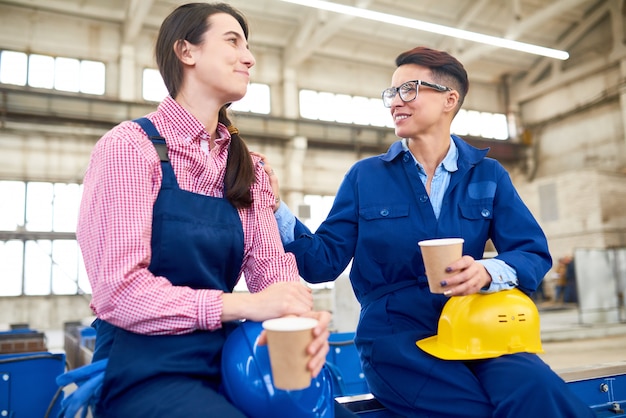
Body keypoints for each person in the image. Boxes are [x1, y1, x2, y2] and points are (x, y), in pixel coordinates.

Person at [263, 46, 595, 417]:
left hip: (474, 330)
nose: (395, 102)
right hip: (396, 337)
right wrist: (275, 206)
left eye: (409, 90)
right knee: (472, 410)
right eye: (391, 93)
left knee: (541, 390)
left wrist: (488, 271)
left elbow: (532, 251)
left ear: (449, 100)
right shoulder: (365, 177)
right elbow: (321, 262)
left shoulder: (488, 175)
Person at [73, 3, 355, 417]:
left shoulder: (249, 170)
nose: (250, 57)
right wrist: (243, 306)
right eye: (232, 41)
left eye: (248, 46)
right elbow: (120, 294)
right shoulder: (130, 148)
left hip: (229, 360)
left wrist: (302, 321)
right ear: (187, 52)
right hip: (143, 370)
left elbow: (273, 275)